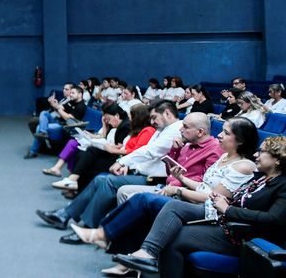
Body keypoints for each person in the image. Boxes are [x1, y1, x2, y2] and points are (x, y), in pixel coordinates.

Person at [69, 118, 258, 275]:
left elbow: (212, 199)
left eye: (225, 132)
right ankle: (125, 258)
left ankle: (104, 235)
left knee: (143, 200)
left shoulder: (244, 166)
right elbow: (204, 186)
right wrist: (181, 178)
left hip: (209, 213)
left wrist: (178, 189)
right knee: (142, 204)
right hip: (192, 200)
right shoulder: (224, 157)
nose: (219, 135)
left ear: (240, 140)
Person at [114, 136, 286, 278]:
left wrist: (227, 209)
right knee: (171, 222)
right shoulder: (260, 178)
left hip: (244, 237)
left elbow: (273, 219)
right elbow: (241, 198)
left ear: (277, 159)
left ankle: (147, 255)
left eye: (262, 152)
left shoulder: (282, 185)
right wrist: (222, 200)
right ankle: (147, 254)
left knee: (172, 237)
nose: (256, 154)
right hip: (227, 225)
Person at [35, 101, 183, 232]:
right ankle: (64, 215)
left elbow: (150, 152)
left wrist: (123, 162)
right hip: (142, 172)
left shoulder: (175, 130)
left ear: (168, 114)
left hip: (155, 179)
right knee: (100, 179)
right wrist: (128, 164)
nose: (152, 121)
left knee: (109, 181)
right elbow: (145, 153)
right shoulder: (162, 130)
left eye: (154, 117)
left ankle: (87, 227)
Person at [114, 112, 222, 204]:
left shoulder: (214, 149)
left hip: (183, 194)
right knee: (123, 191)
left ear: (200, 132)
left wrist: (176, 187)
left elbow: (207, 183)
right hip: (167, 186)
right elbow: (169, 172)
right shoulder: (187, 144)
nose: (180, 129)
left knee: (131, 197)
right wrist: (175, 150)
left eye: (185, 127)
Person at [50, 104, 130, 193]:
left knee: (90, 155)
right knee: (81, 154)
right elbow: (104, 136)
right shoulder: (116, 124)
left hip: (117, 159)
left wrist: (105, 145)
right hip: (111, 154)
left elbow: (119, 147)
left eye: (108, 119)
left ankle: (73, 182)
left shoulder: (125, 126)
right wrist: (104, 125)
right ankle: (72, 186)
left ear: (117, 116)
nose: (108, 122)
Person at [25, 85, 86, 159]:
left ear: (80, 94)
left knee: (38, 127)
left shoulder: (81, 106)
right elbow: (60, 108)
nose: (70, 94)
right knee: (44, 113)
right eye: (71, 93)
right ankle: (43, 132)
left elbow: (68, 118)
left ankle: (33, 151)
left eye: (73, 93)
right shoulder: (71, 101)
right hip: (58, 120)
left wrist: (60, 109)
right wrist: (54, 104)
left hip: (64, 126)